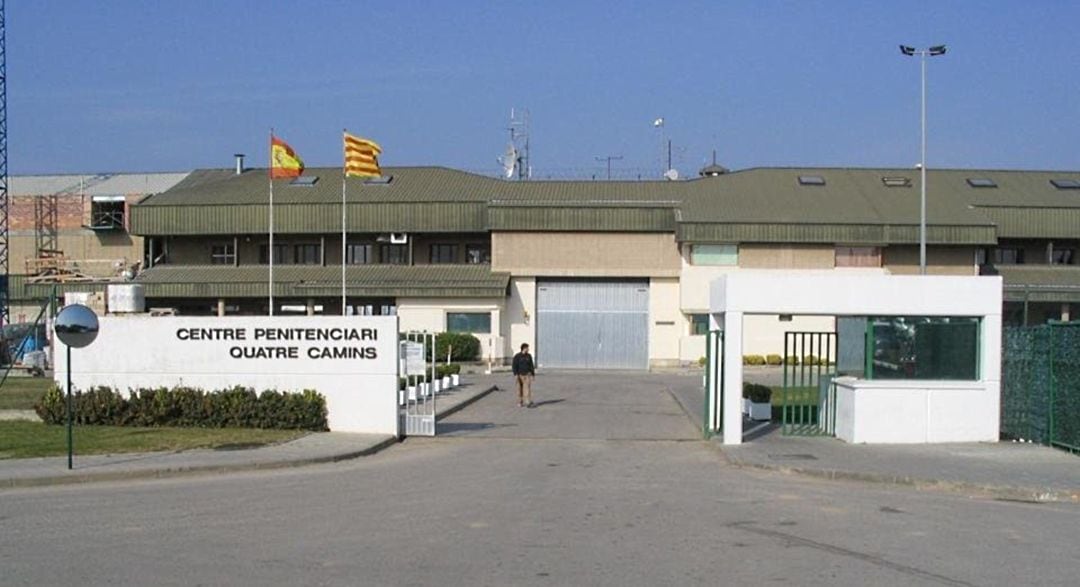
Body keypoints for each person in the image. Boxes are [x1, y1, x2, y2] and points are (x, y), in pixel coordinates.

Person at [511, 343, 535, 408]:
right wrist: (515, 374)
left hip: (527, 375)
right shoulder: (517, 356)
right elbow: (514, 366)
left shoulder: (529, 356)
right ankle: (520, 402)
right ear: (524, 348)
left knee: (527, 388)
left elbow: (531, 366)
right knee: (519, 389)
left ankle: (527, 402)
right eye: (527, 348)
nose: (528, 349)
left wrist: (533, 374)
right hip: (519, 375)